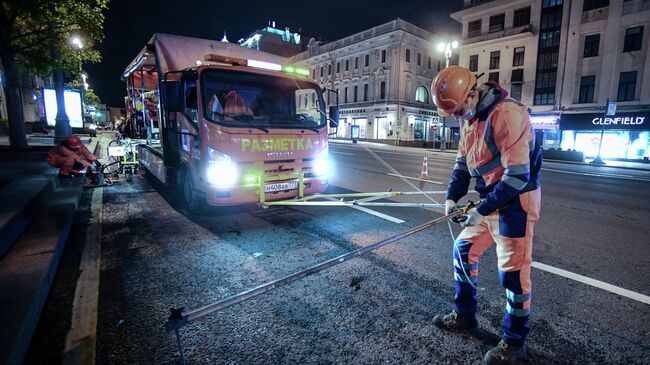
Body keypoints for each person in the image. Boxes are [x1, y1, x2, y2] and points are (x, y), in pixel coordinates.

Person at [431, 66, 542, 365]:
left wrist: (480, 210)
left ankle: (514, 344)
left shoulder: (507, 115)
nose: (458, 116)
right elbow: (462, 167)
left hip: (516, 203)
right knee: (463, 250)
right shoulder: (470, 121)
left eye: (460, 109)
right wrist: (451, 197)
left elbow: (518, 176)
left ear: (473, 93)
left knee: (514, 277)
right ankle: (465, 315)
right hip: (491, 200)